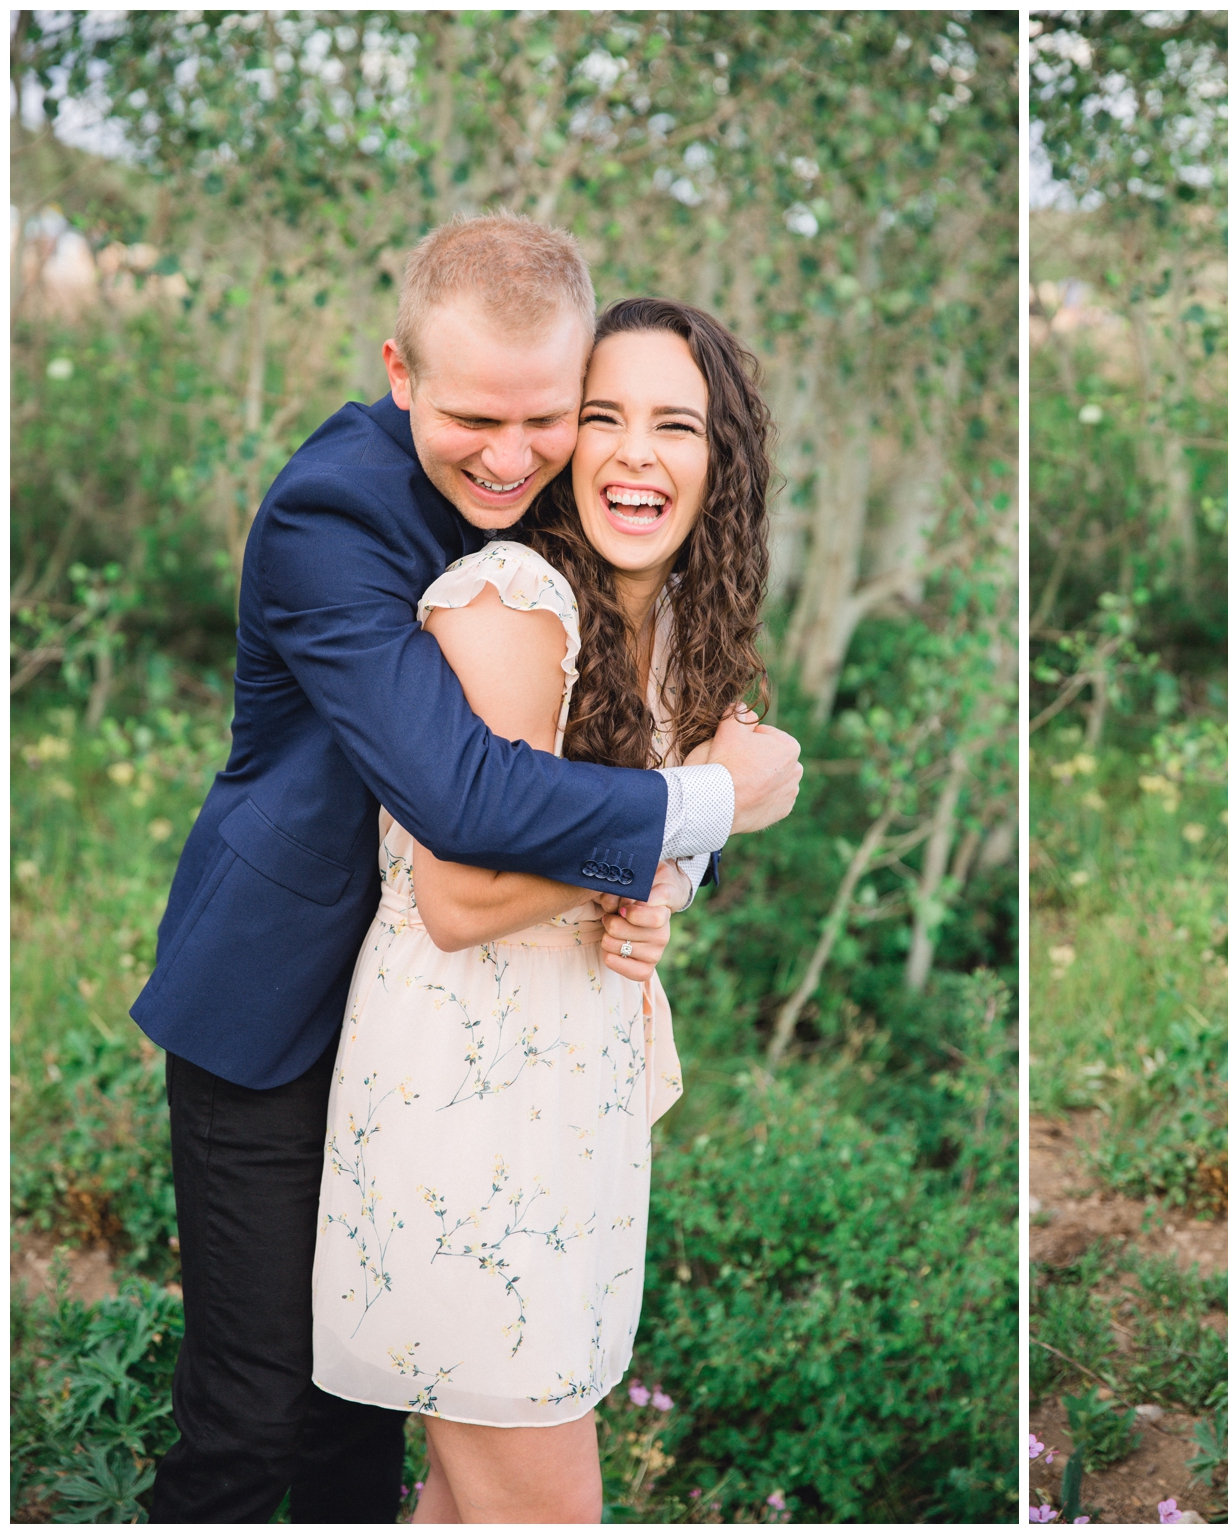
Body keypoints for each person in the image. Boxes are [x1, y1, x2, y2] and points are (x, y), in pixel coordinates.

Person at [134, 216, 802, 1524]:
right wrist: (717, 803)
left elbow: (597, 760)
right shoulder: (340, 511)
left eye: (548, 417)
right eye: (471, 419)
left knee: (362, 1426)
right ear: (400, 374)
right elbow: (467, 799)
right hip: (277, 1004)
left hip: (442, 1040)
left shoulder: (572, 515)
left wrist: (670, 867)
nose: (509, 455)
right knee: (255, 1414)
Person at [309, 295, 771, 1522]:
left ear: (721, 454)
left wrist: (658, 880)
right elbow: (459, 897)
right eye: (602, 417)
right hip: (466, 1113)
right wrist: (706, 804)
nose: (633, 451)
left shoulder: (668, 621)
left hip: (568, 1107)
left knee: (467, 1507)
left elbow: (604, 857)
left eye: (675, 423)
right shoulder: (516, 599)